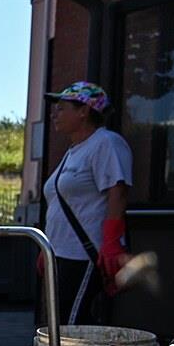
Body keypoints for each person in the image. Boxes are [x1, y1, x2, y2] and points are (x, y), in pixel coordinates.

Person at [42, 82, 132, 325]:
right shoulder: (74, 151)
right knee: (57, 323)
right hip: (61, 254)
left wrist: (112, 242)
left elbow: (118, 190)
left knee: (69, 327)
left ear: (84, 111)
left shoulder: (105, 142)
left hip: (84, 256)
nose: (54, 114)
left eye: (62, 108)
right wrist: (47, 247)